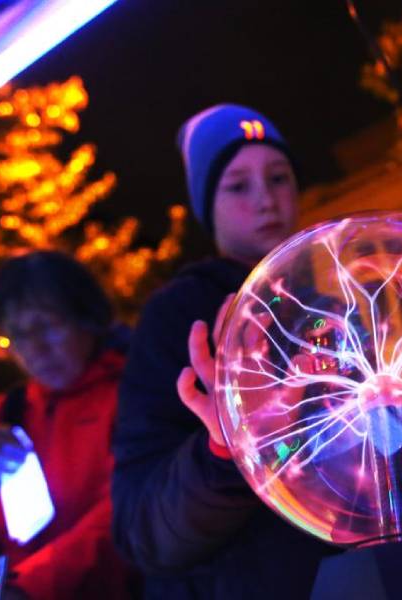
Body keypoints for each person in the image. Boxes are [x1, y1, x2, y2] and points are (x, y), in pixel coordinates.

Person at [112, 104, 335, 599]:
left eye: (279, 177)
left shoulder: (336, 313)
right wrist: (223, 451)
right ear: (206, 205)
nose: (266, 200)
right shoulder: (177, 316)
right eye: (238, 185)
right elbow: (141, 530)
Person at [0, 251, 134, 600]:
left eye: (47, 326)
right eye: (16, 335)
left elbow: (120, 514)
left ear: (86, 317)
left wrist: (24, 588)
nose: (34, 349)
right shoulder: (10, 407)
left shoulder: (132, 393)